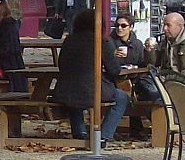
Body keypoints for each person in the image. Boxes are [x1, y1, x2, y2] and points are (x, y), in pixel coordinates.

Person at [51, 9, 129, 144]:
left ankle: (79, 131)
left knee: (76, 93)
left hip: (65, 90)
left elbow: (61, 64)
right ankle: (103, 135)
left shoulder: (69, 40)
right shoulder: (101, 41)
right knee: (122, 97)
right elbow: (114, 70)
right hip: (93, 90)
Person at [144, 11, 185, 85]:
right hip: (169, 84)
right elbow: (154, 63)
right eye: (164, 25)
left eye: (168, 25)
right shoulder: (165, 43)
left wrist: (171, 77)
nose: (165, 29)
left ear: (179, 26)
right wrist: (149, 51)